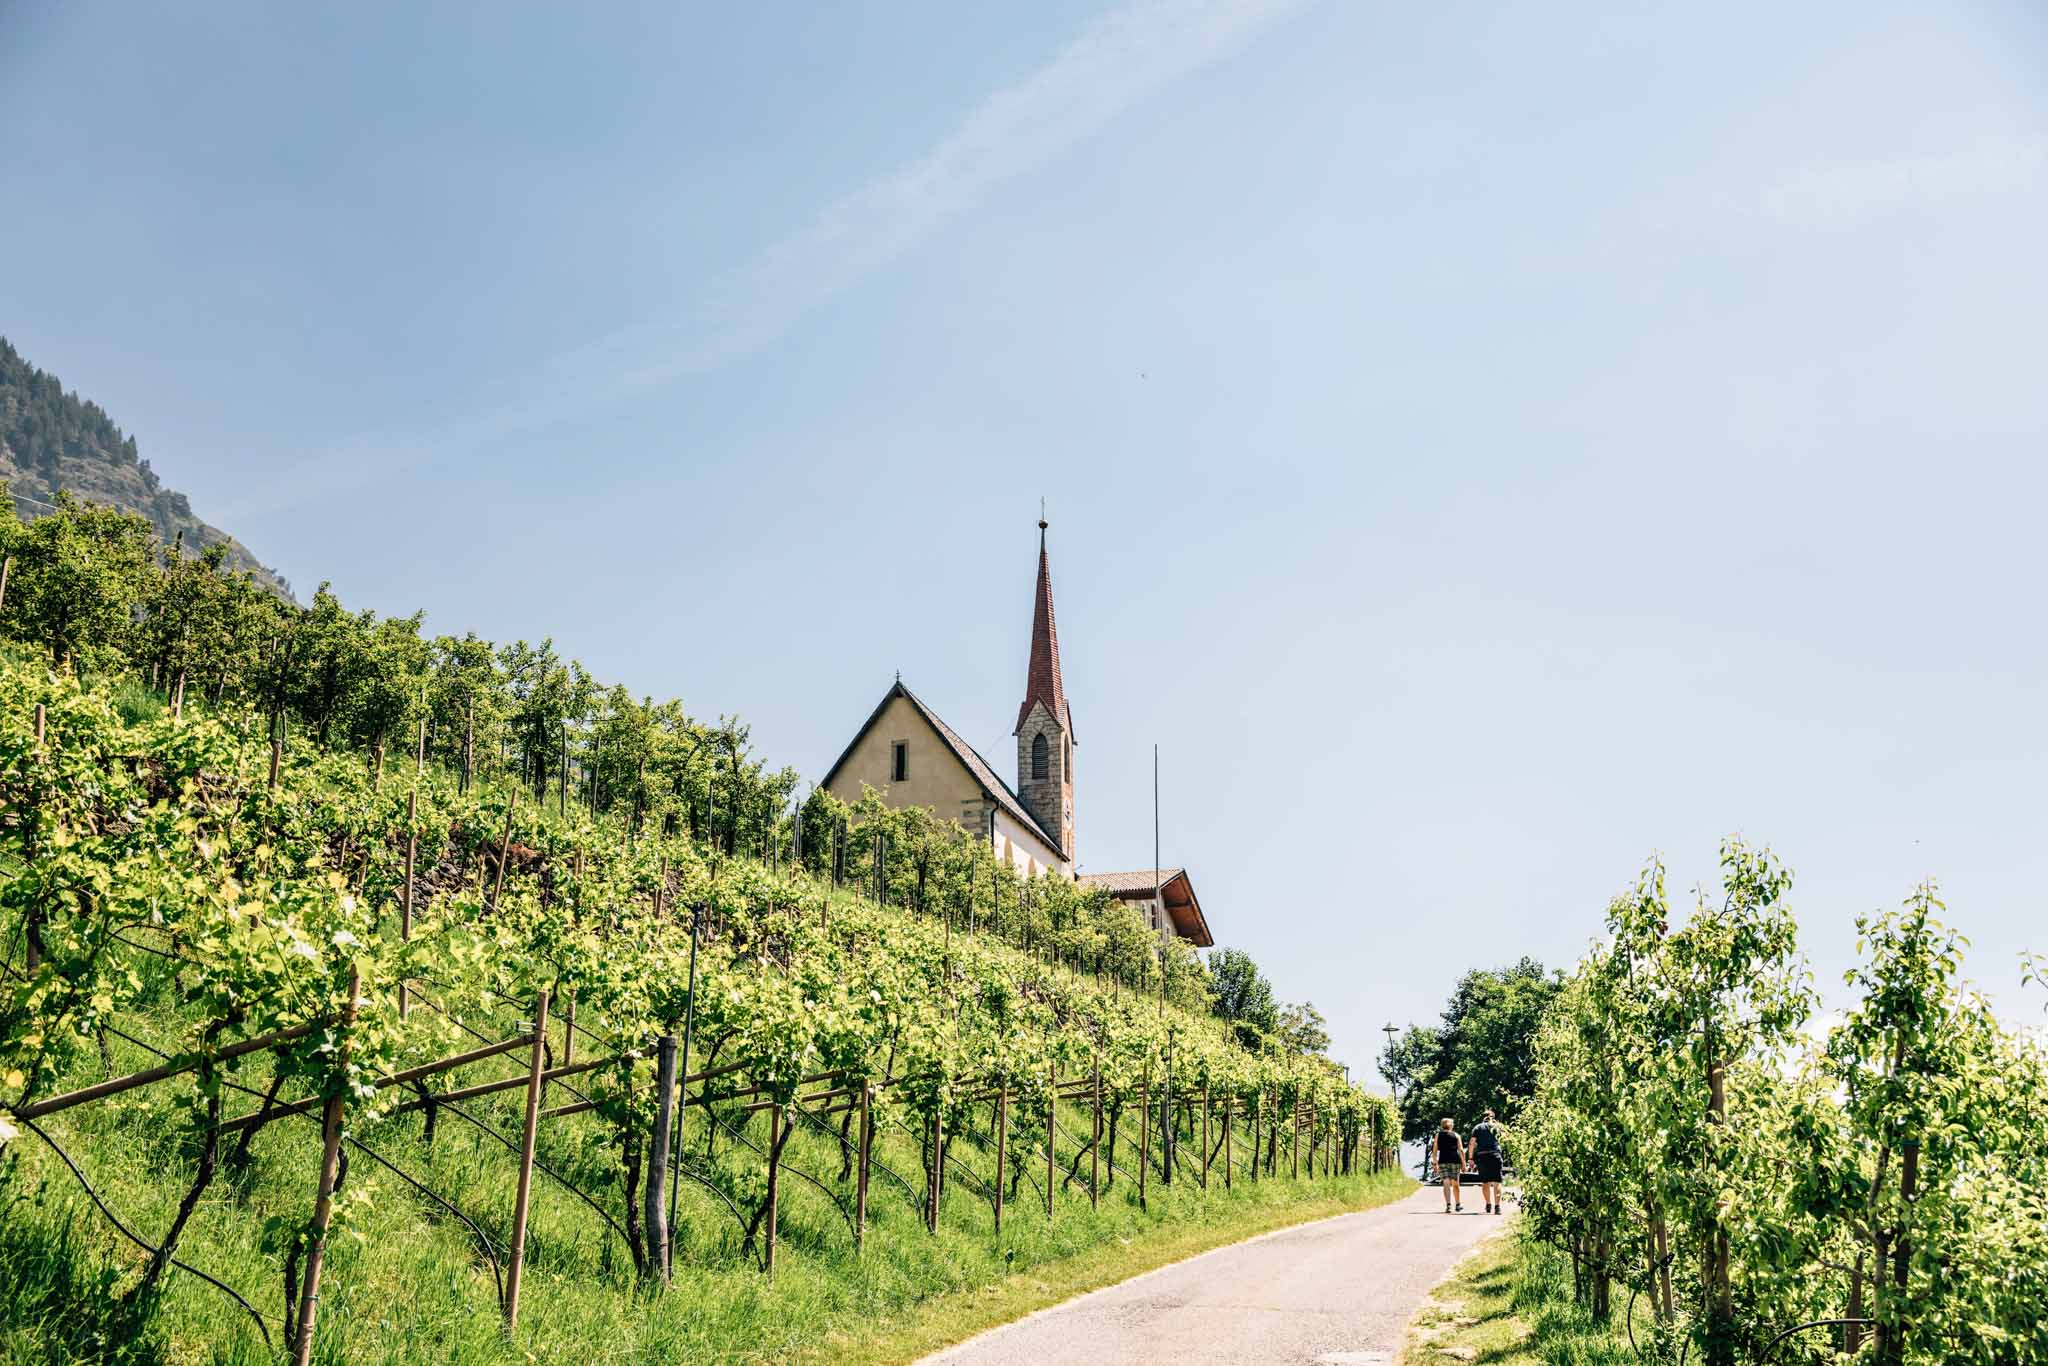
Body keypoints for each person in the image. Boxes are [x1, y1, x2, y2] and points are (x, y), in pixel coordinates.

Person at [1468, 1108, 1505, 1214]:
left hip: (1482, 1156)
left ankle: (1488, 1204)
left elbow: (1472, 1143)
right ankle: (1497, 1207)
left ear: (1483, 1118)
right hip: (1495, 1155)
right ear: (1493, 1118)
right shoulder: (1498, 1127)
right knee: (1497, 1181)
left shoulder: (1477, 1128)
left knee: (1485, 1182)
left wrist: (1470, 1158)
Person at [1434, 1117, 1464, 1212]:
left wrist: (1435, 1162)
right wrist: (1464, 1163)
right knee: (1455, 1183)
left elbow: (1435, 1150)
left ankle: (1448, 1205)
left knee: (1446, 1182)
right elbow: (1461, 1150)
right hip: (1455, 1160)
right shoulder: (1456, 1135)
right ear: (1451, 1125)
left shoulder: (1438, 1135)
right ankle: (1458, 1204)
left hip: (1443, 1160)